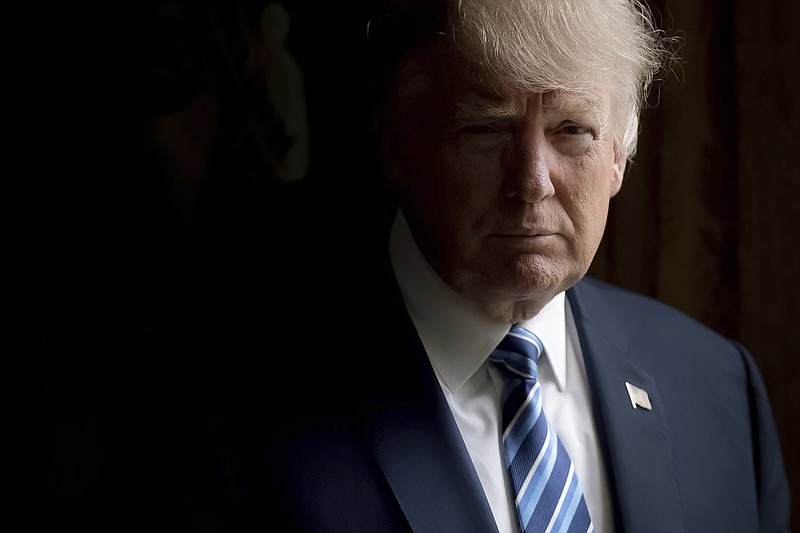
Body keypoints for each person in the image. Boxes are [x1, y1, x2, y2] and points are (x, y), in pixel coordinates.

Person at [177, 0, 791, 531]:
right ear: (396, 146)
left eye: (573, 130)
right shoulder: (232, 415)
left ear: (618, 159)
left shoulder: (718, 388)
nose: (532, 183)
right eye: (485, 130)